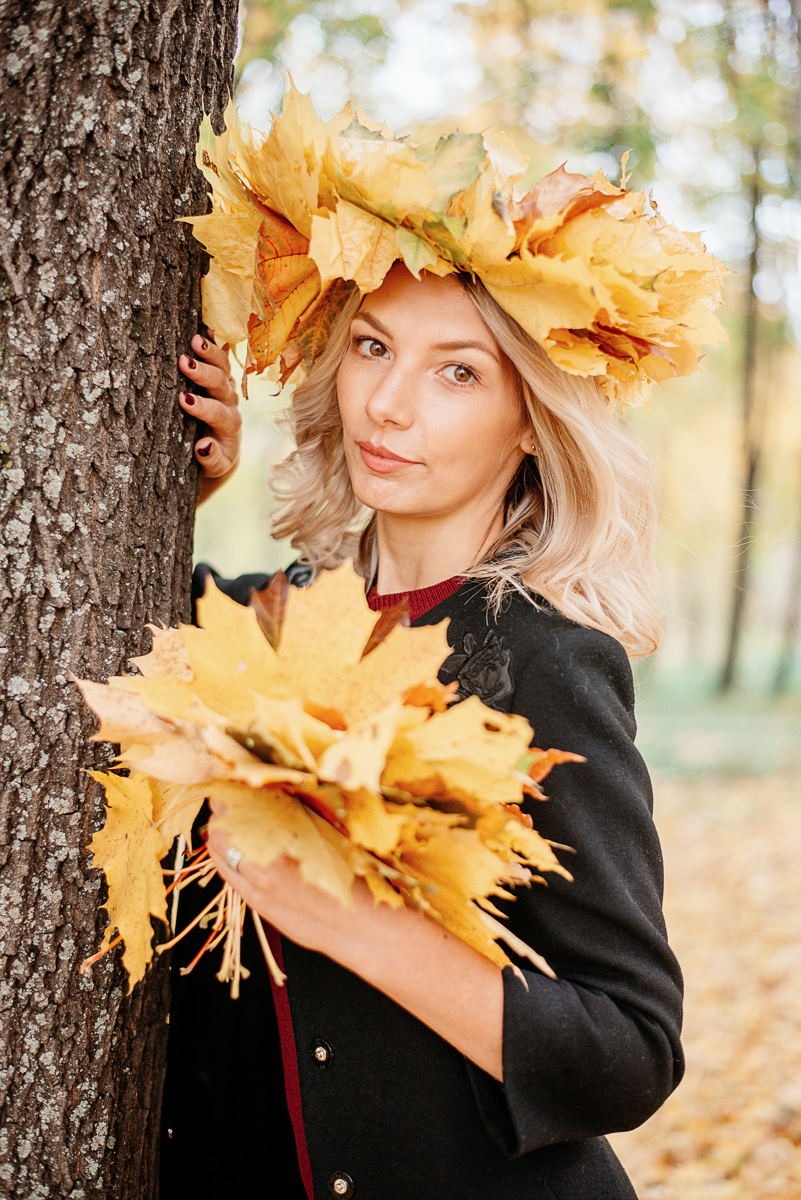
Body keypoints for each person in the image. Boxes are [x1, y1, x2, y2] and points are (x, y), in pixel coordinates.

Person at [159, 94, 723, 1199]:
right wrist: (164, 491)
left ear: (529, 419)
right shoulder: (272, 618)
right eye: (374, 347)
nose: (391, 403)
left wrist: (359, 927)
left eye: (457, 370)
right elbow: (115, 629)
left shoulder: (545, 663)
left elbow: (634, 1049)